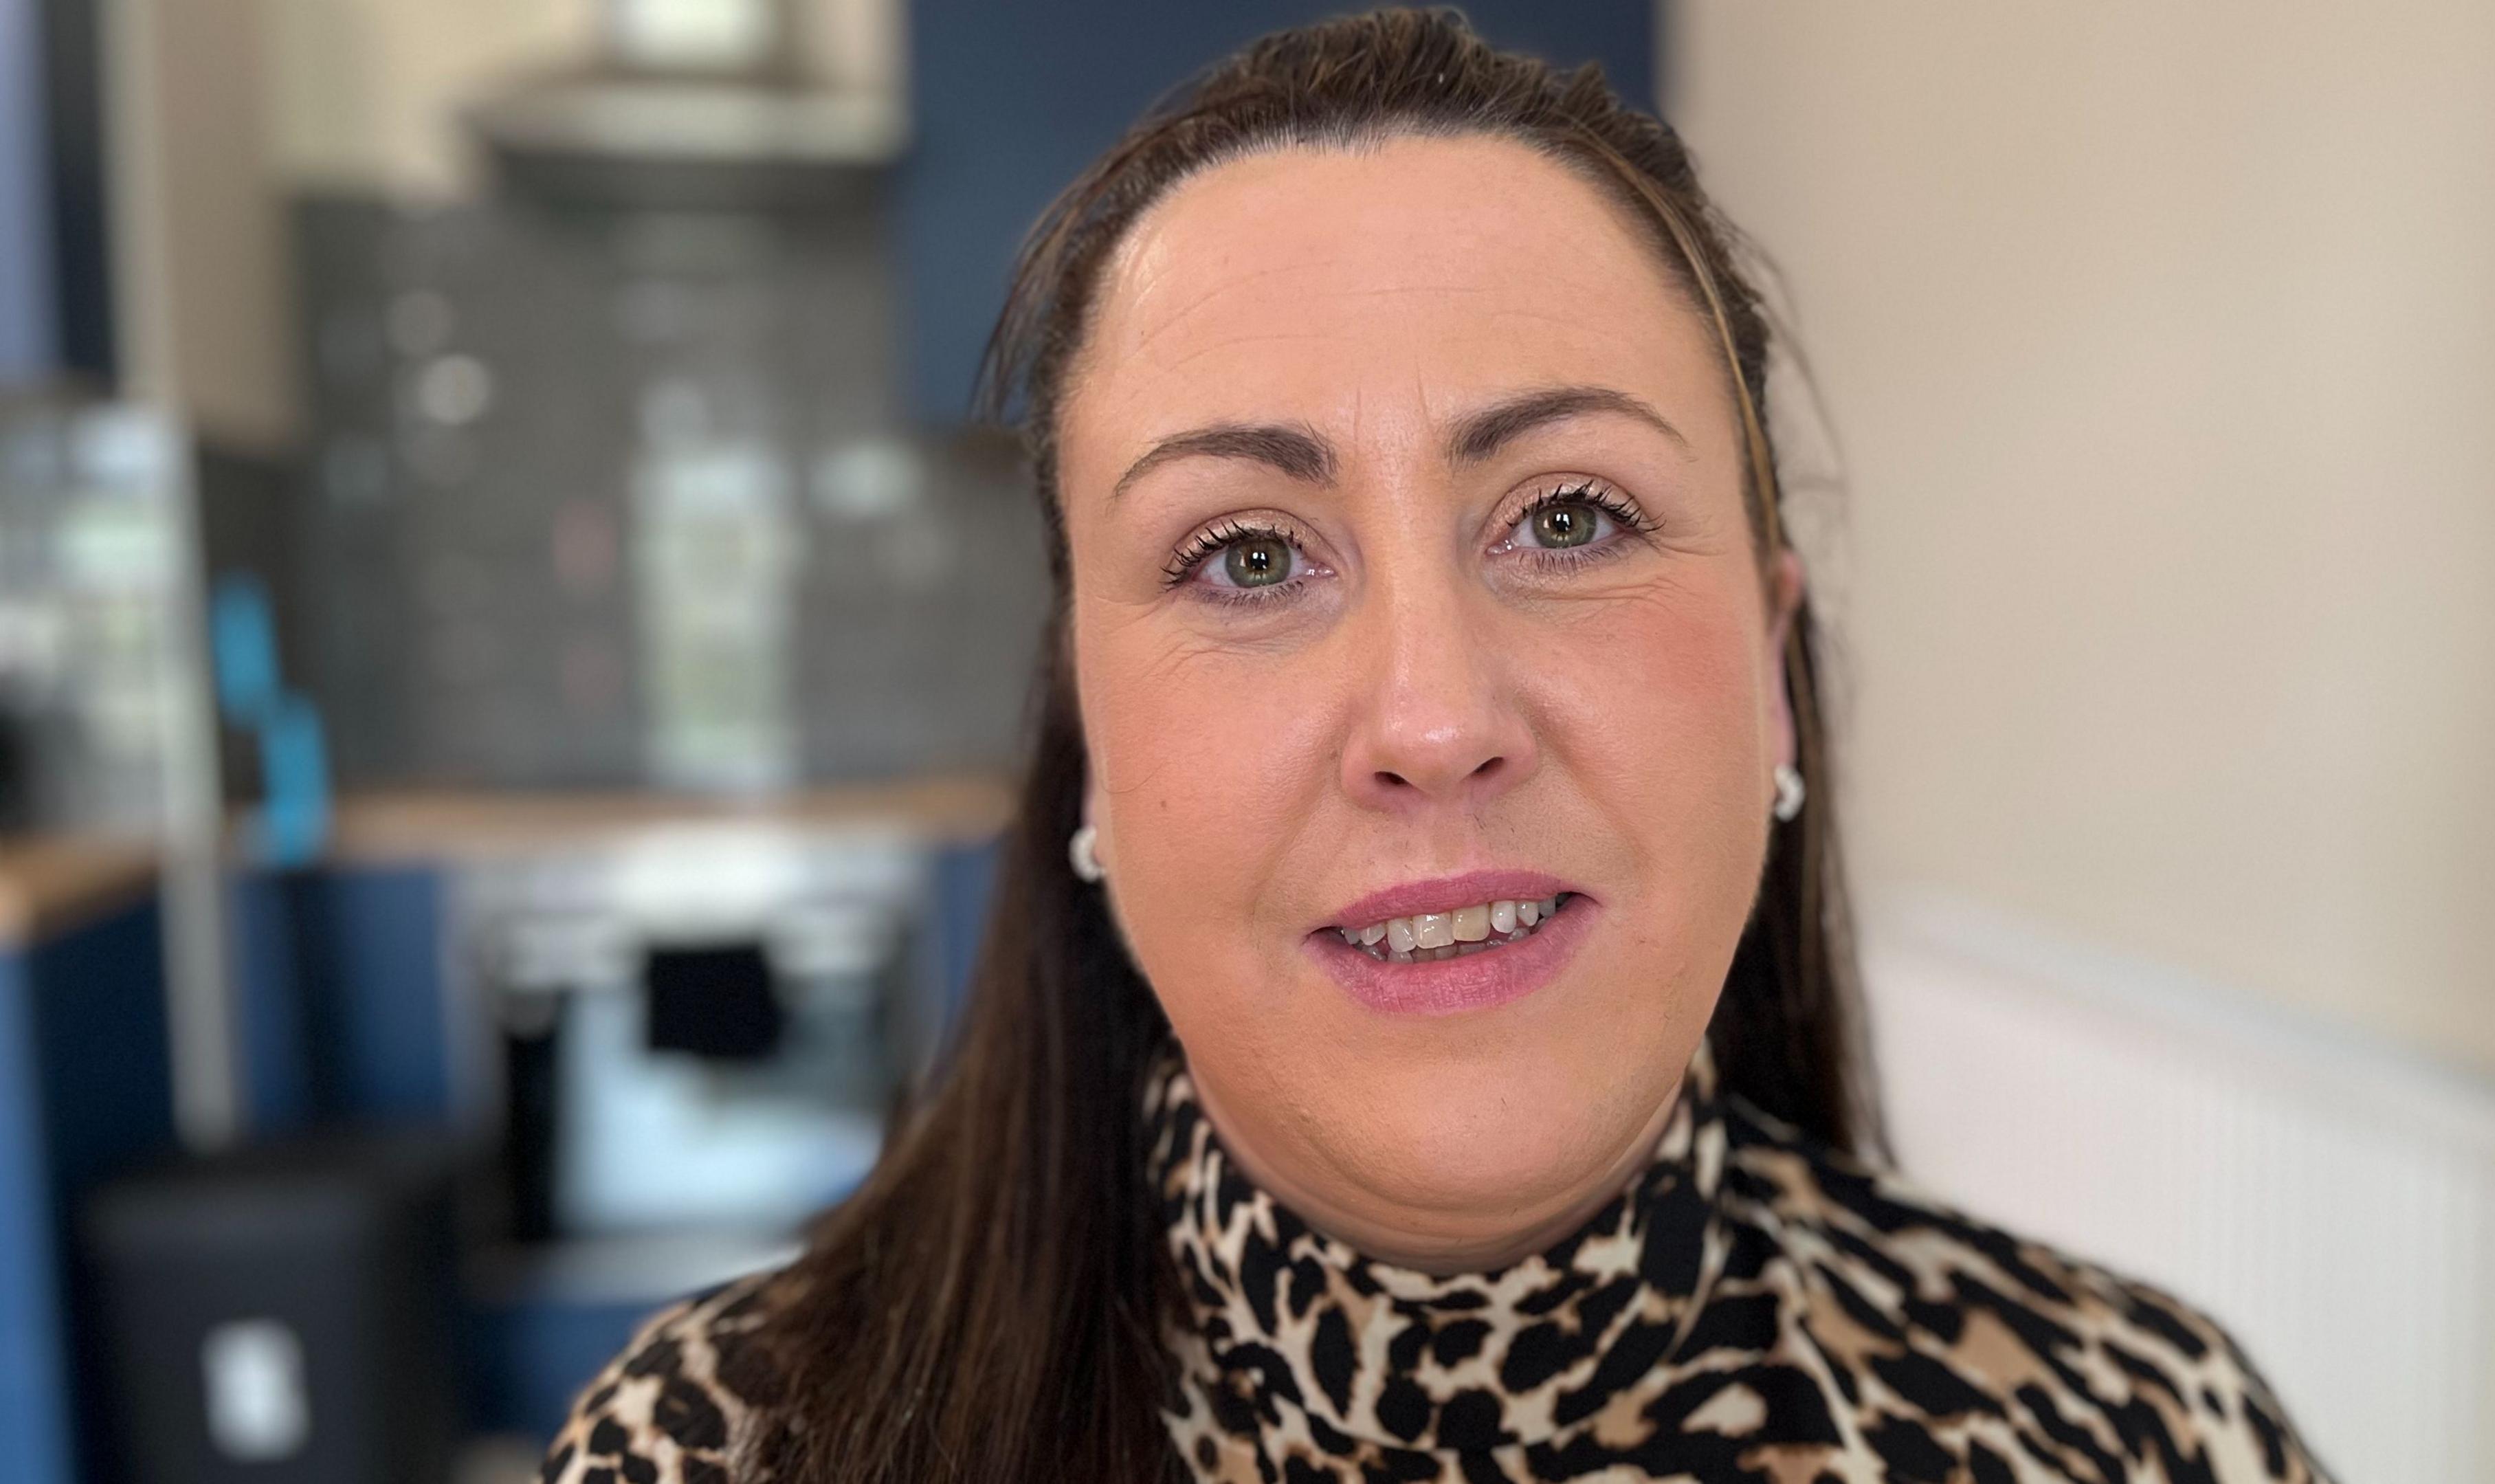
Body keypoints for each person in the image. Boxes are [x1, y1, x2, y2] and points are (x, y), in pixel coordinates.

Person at [542, 10, 2332, 1482]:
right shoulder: (717, 1458)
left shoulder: (2144, 1437)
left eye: (1567, 519)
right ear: (1086, 747)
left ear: (1772, 676)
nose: (1434, 719)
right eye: (1246, 555)